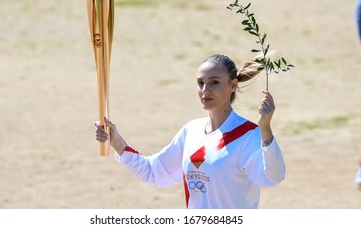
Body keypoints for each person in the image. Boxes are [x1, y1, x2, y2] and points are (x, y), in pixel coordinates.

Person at [95, 54, 286, 209]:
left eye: (214, 82)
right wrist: (116, 140)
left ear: (233, 85)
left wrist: (265, 129)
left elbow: (272, 177)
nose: (205, 90)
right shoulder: (191, 131)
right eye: (200, 83)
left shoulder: (248, 134)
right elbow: (153, 171)